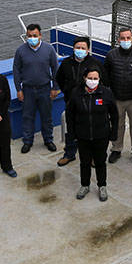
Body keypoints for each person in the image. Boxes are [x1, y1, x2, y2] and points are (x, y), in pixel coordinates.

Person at [65, 67, 118, 201]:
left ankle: (102, 186)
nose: (92, 81)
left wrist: (113, 132)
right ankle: (85, 185)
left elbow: (114, 114)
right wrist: (71, 134)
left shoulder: (106, 93)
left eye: (95, 79)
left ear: (99, 79)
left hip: (101, 135)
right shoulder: (76, 93)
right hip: (82, 135)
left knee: (100, 162)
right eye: (90, 78)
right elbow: (70, 114)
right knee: (84, 162)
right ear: (84, 78)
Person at [55, 36, 104, 167]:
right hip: (71, 103)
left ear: (88, 50)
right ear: (73, 48)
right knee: (70, 130)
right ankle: (69, 154)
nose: (80, 50)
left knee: (91, 130)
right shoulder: (66, 63)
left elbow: (103, 82)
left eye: (83, 48)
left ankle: (93, 157)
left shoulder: (95, 64)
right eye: (77, 47)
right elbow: (59, 79)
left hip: (90, 104)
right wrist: (66, 91)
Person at [13, 24, 60, 153]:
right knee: (27, 116)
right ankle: (27, 141)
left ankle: (48, 140)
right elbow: (16, 70)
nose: (32, 38)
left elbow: (56, 69)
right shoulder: (20, 51)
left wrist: (55, 87)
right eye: (29, 36)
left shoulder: (49, 49)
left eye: (35, 35)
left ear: (40, 35)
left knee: (47, 116)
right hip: (27, 90)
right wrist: (18, 89)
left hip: (45, 89)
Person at [103, 27, 132, 165]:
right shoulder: (111, 56)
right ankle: (116, 149)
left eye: (128, 38)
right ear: (118, 40)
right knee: (117, 125)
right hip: (116, 98)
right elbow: (106, 76)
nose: (125, 41)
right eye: (123, 38)